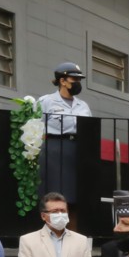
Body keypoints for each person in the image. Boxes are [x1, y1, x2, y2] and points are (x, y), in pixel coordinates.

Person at [37, 62, 91, 226]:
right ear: (62, 80)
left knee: (75, 197)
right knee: (54, 196)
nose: (77, 82)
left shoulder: (83, 105)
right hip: (54, 149)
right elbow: (34, 125)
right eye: (74, 79)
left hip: (77, 150)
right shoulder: (46, 101)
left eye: (78, 79)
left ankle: (73, 236)